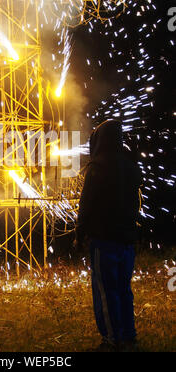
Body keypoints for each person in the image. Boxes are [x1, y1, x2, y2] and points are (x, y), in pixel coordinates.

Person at [75, 120, 142, 352]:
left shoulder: (97, 167)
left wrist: (79, 232)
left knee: (106, 291)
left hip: (104, 240)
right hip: (127, 241)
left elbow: (86, 205)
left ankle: (112, 340)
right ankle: (128, 336)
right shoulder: (131, 166)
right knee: (124, 288)